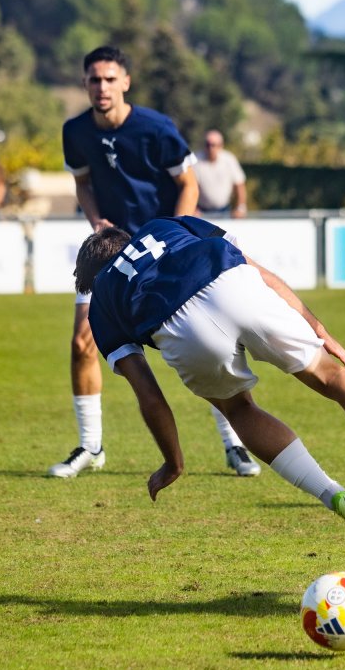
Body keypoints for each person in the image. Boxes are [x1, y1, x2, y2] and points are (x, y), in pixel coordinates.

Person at [72, 215, 345, 531]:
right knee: (330, 376)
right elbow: (255, 268)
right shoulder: (165, 225)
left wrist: (173, 462)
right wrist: (320, 329)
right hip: (231, 282)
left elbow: (150, 396)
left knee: (239, 410)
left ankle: (334, 495)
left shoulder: (102, 304)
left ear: (92, 277)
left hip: (180, 326)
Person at [52, 45, 260, 480]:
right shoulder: (75, 131)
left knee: (209, 343)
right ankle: (91, 446)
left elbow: (189, 184)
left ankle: (235, 444)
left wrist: (174, 230)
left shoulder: (157, 129)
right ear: (85, 83)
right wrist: (95, 221)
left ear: (125, 81)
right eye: (94, 79)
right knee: (81, 344)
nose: (102, 87)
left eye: (110, 79)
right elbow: (83, 183)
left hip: (163, 252)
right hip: (109, 256)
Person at [195, 129, 248, 218]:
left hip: (224, 211)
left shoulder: (229, 160)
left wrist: (240, 207)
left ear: (221, 146)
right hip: (201, 212)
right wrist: (193, 208)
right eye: (207, 145)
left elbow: (239, 185)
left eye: (213, 145)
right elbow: (190, 186)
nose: (210, 148)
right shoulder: (195, 160)